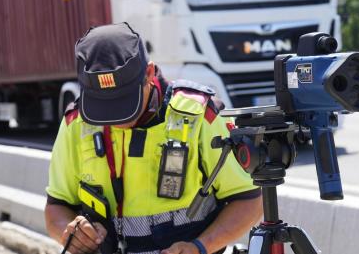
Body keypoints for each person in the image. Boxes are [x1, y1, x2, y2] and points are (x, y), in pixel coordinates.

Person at [45, 23, 262, 254]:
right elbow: (56, 208)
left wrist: (200, 247)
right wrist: (70, 233)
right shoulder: (76, 124)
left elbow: (249, 201)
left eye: (123, 104)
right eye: (102, 107)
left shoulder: (199, 116)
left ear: (148, 73)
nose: (114, 119)